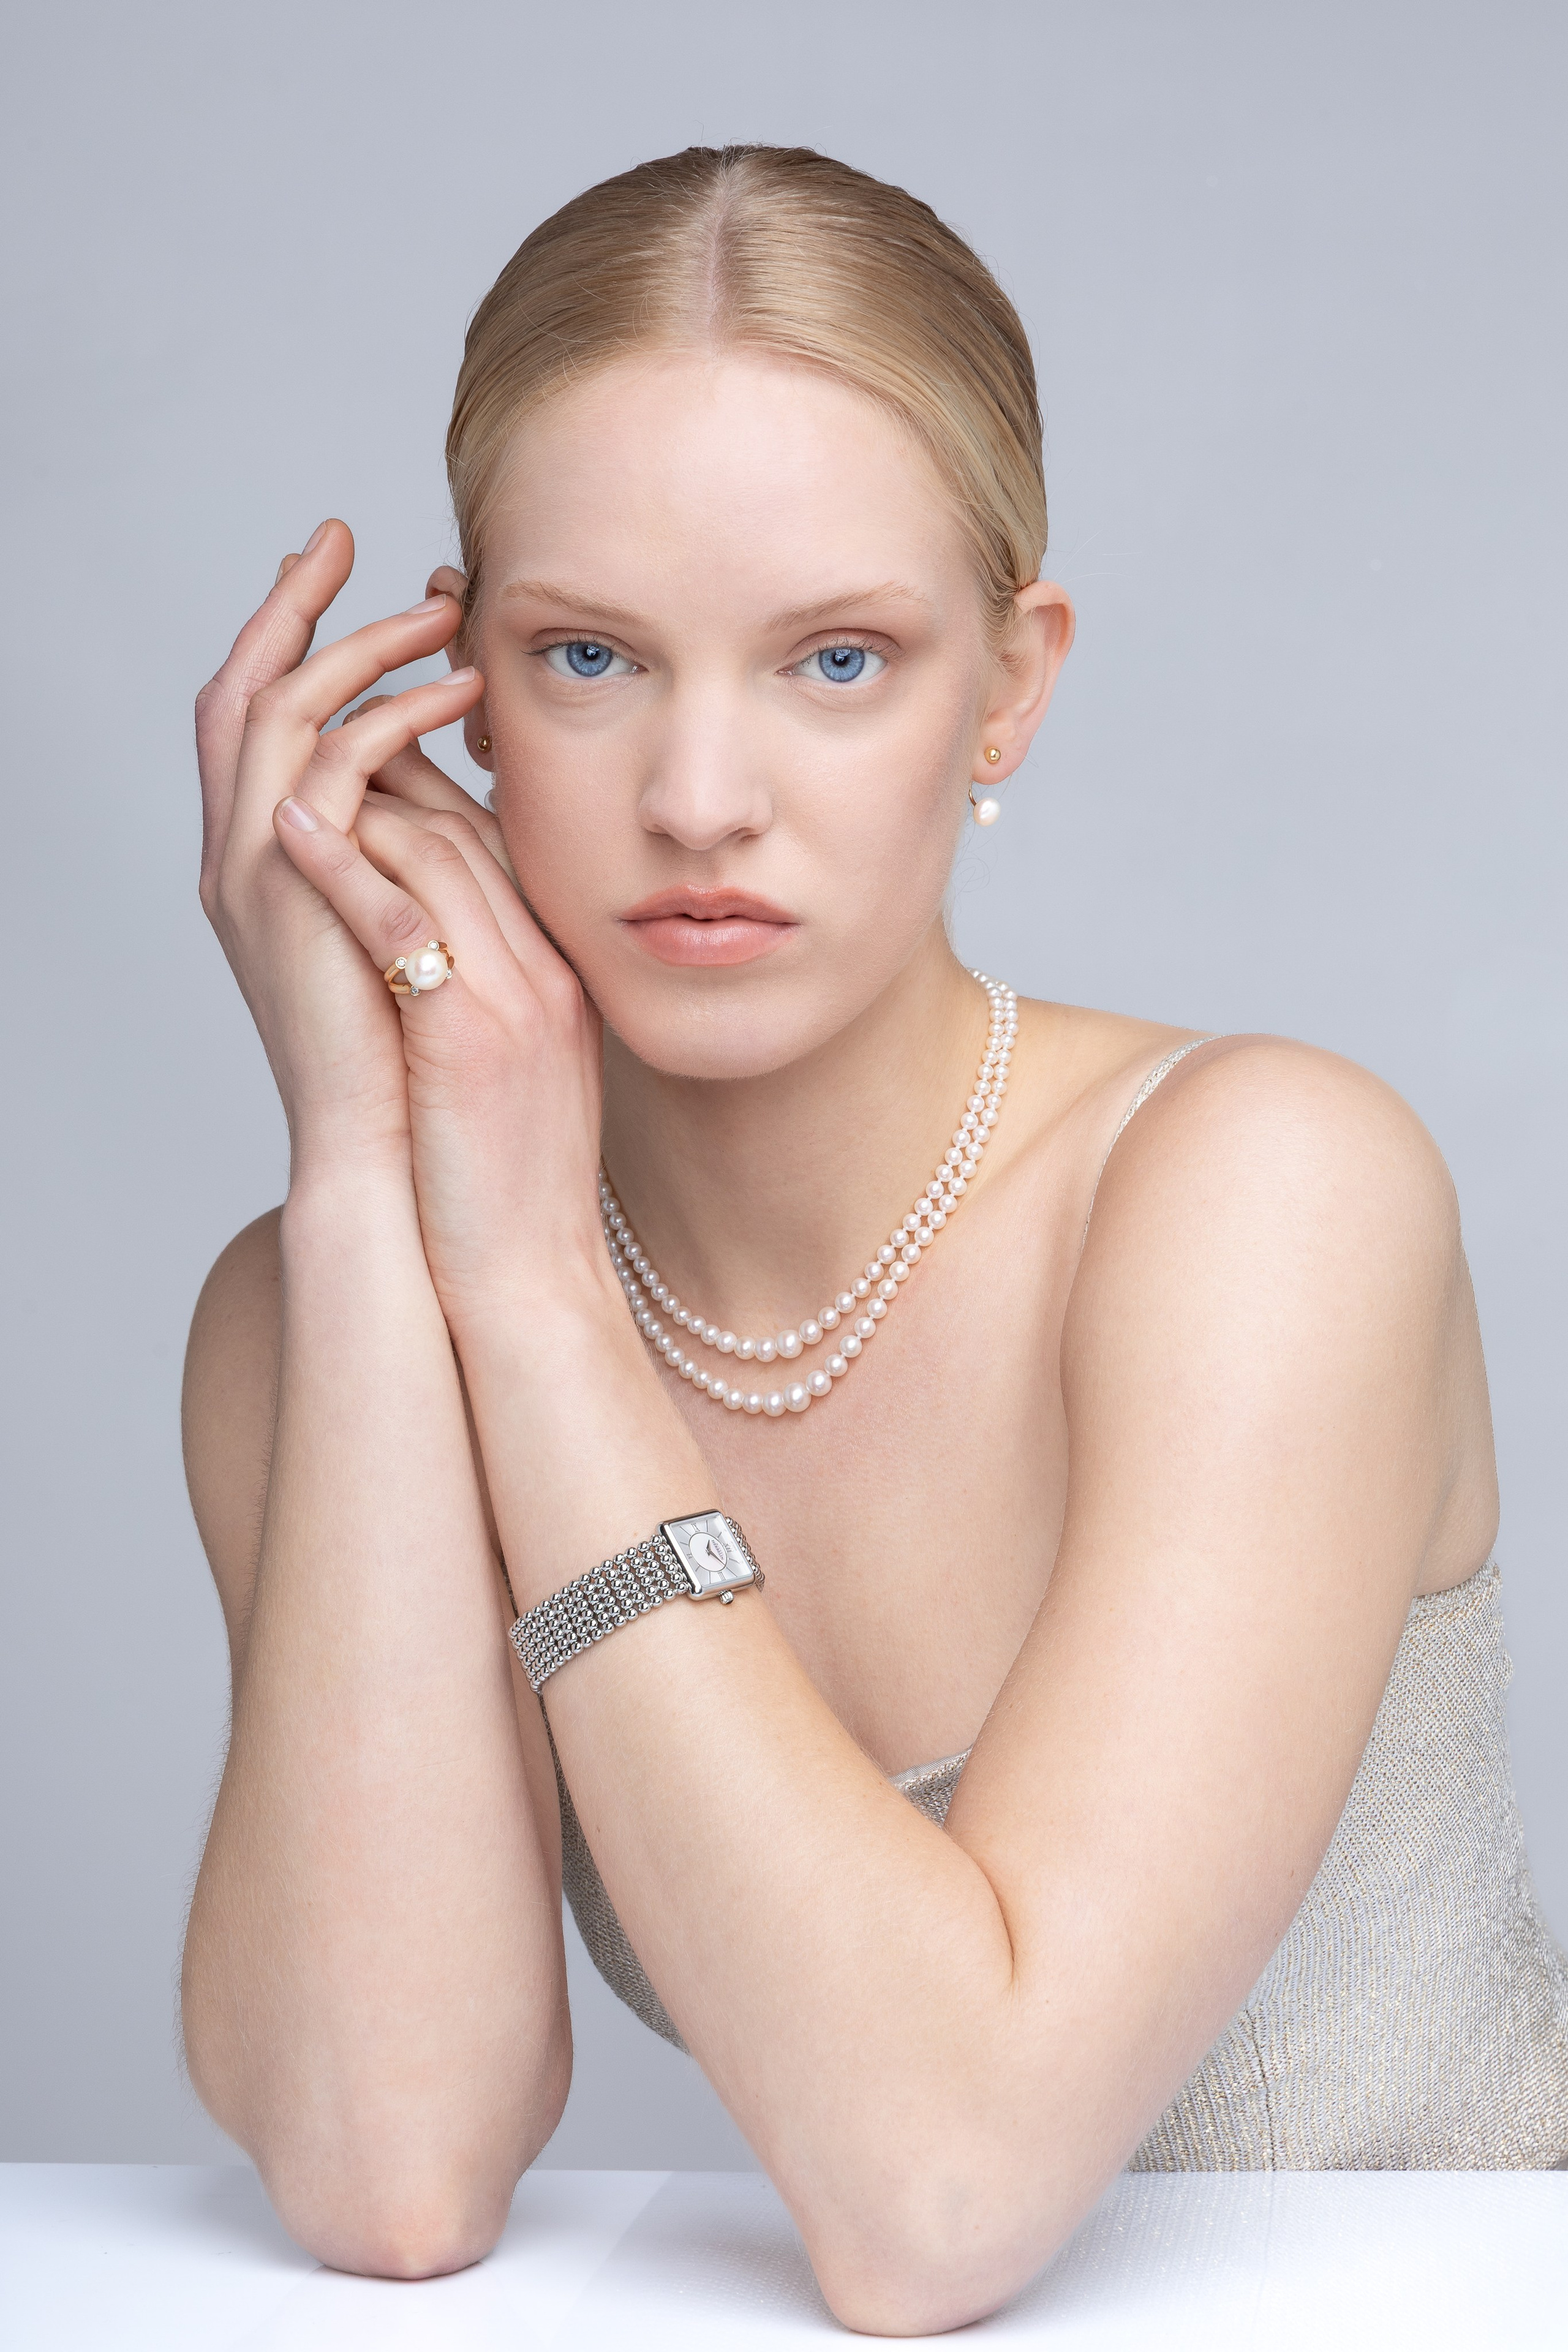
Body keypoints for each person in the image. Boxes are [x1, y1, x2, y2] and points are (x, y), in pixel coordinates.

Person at [178, 145, 1568, 2334]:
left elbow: (941, 2196)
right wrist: (370, 1176)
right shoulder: (325, 1314)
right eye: (588, 657)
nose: (703, 791)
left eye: (837, 657)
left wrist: (536, 1300)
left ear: (1008, 687)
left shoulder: (1259, 1193)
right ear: (450, 697)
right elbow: (386, 2163)